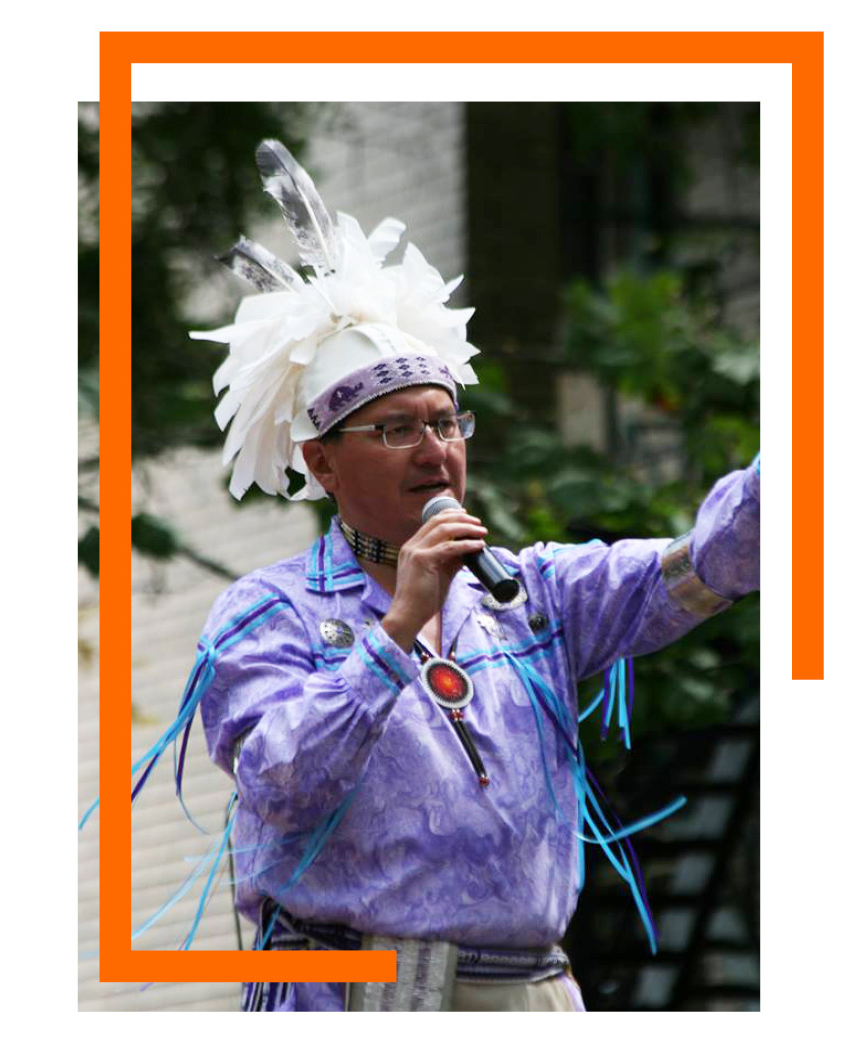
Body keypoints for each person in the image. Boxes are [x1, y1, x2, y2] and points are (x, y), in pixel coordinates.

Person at [174, 141, 760, 1012]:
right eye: (397, 429)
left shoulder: (533, 592)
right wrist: (397, 627)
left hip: (533, 993)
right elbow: (280, 783)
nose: (436, 450)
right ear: (323, 464)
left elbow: (709, 559)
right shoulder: (267, 614)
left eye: (448, 423)